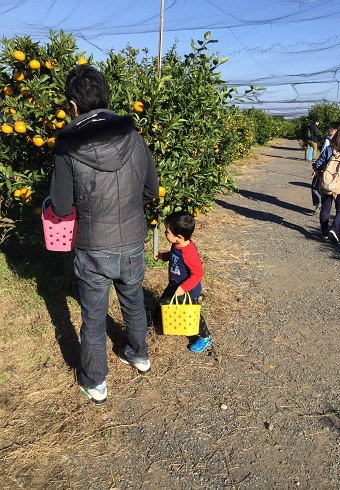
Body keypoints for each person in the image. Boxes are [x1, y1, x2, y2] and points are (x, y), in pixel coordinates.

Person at [50, 65, 159, 405]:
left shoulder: (67, 148)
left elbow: (63, 207)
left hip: (93, 247)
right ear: (106, 96)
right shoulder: (134, 137)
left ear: (73, 104)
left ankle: (96, 382)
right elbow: (151, 190)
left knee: (94, 316)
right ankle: (139, 355)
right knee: (133, 301)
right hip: (132, 242)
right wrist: (128, 210)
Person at [153, 211, 212, 353]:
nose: (165, 233)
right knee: (163, 302)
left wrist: (184, 288)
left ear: (178, 237)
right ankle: (159, 320)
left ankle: (205, 337)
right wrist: (163, 256)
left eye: (167, 232)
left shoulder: (189, 252)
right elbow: (174, 256)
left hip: (187, 290)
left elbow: (198, 273)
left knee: (192, 313)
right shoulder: (178, 245)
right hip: (174, 285)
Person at [311, 121, 340, 214]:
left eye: (330, 128)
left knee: (315, 186)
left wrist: (316, 168)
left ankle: (319, 203)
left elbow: (323, 156)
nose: (328, 130)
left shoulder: (328, 141)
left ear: (335, 130)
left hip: (324, 168)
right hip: (337, 171)